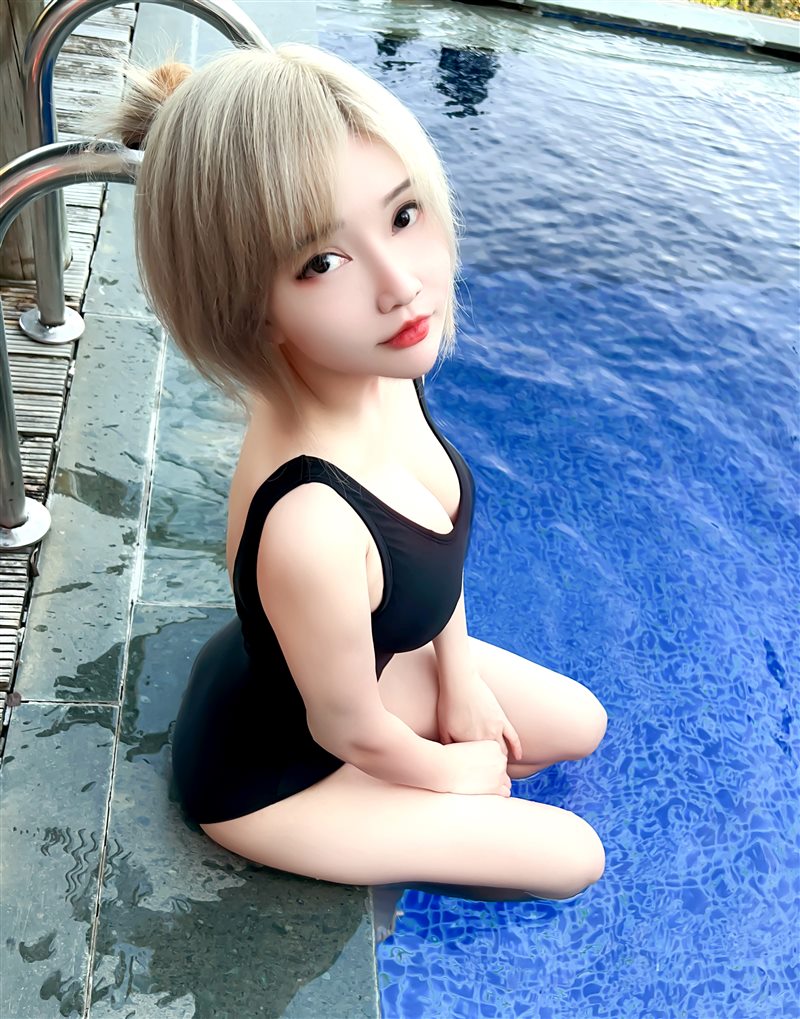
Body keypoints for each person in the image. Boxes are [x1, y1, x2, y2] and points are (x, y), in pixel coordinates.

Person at [104, 44, 608, 902]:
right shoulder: (310, 521)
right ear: (250, 307)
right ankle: (361, 818)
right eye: (322, 262)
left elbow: (435, 545)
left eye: (403, 215)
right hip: (273, 772)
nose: (400, 285)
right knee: (571, 857)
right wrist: (447, 774)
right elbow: (346, 726)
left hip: (343, 668)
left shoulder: (383, 368)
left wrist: (460, 681)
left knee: (579, 724)